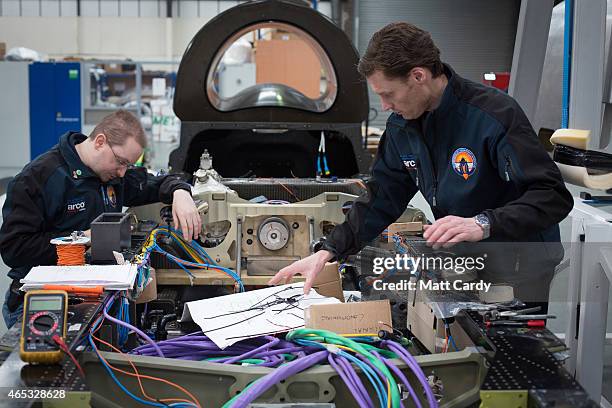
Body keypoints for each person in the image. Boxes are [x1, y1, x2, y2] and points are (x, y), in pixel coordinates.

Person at [269, 22, 573, 302]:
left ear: (418, 76)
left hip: (521, 263)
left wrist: (484, 223)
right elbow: (382, 197)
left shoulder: (493, 116)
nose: (386, 106)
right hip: (469, 260)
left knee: (514, 354)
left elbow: (552, 196)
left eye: (389, 94)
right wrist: (329, 250)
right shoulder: (403, 126)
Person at [0, 110, 202, 328]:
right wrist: (81, 240)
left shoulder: (113, 176)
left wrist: (180, 191)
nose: (123, 173)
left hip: (94, 300)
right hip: (42, 304)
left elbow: (158, 182)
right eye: (121, 162)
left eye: (128, 165)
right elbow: (14, 249)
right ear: (99, 142)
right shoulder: (39, 178)